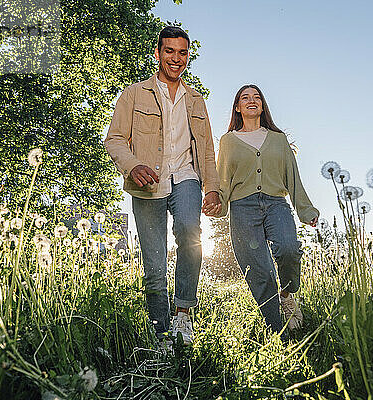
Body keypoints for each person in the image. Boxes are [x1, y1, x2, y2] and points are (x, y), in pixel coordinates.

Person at [104, 26, 221, 348]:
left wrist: (213, 188)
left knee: (188, 229)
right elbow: (114, 139)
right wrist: (132, 165)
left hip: (186, 176)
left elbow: (207, 149)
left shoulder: (196, 99)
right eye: (169, 51)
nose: (176, 58)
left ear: (188, 57)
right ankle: (161, 334)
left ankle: (183, 312)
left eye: (182, 53)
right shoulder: (134, 94)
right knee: (154, 263)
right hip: (147, 183)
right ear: (157, 53)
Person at [207, 85, 319, 333]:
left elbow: (293, 177)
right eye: (245, 98)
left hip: (276, 203)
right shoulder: (228, 141)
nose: (251, 101)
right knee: (259, 271)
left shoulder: (278, 139)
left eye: (256, 97)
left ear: (263, 105)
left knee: (289, 249)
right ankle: (277, 330)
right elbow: (223, 179)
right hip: (242, 208)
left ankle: (288, 295)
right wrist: (217, 203)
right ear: (237, 107)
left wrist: (306, 210)